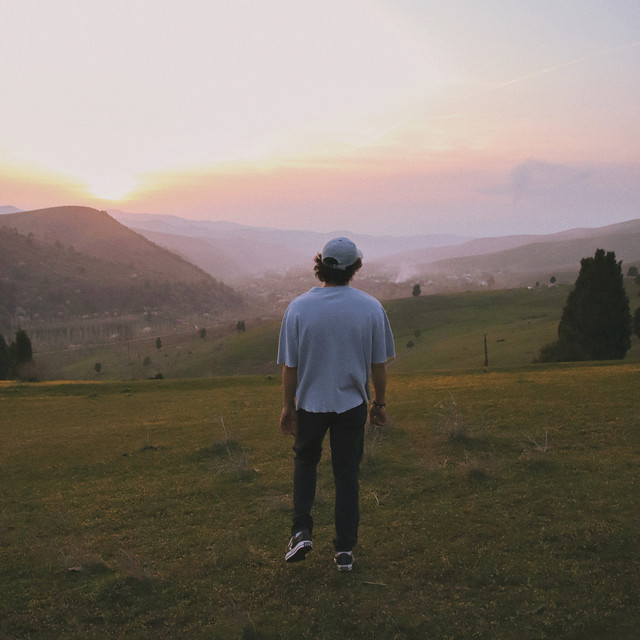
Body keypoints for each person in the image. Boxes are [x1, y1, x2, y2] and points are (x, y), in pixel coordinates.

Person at [277, 237, 395, 571]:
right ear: (355, 267)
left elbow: (290, 367)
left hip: (310, 404)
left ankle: (301, 531)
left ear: (321, 265)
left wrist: (288, 406)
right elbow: (378, 365)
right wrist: (379, 403)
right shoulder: (370, 307)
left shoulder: (298, 308)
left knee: (305, 463)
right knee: (346, 474)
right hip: (351, 405)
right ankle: (344, 550)